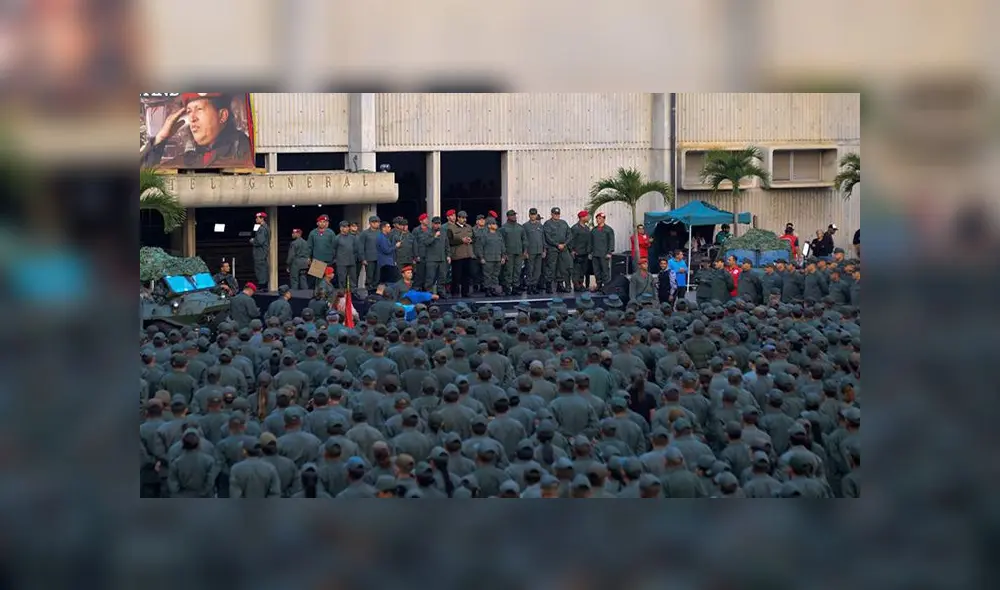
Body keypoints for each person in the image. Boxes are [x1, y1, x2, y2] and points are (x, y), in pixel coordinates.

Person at [140, 93, 252, 169]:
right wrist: (160, 139)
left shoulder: (246, 153)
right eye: (189, 111)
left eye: (199, 109)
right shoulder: (189, 159)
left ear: (222, 116)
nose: (192, 118)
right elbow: (144, 182)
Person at [542, 207, 572, 294]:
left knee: (562, 267)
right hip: (553, 249)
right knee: (551, 267)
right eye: (555, 214)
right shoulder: (547, 224)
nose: (557, 215)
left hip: (563, 248)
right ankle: (549, 286)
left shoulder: (563, 223)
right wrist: (557, 244)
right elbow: (547, 237)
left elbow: (569, 234)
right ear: (551, 214)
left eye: (558, 214)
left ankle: (560, 284)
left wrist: (565, 244)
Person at [499, 210, 527, 296]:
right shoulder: (503, 228)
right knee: (508, 272)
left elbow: (524, 240)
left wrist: (525, 251)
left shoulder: (520, 227)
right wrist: (504, 254)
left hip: (519, 253)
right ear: (508, 217)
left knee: (517, 271)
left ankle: (515, 288)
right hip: (509, 253)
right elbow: (501, 242)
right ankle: (507, 288)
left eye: (515, 215)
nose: (514, 217)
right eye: (512, 215)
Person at [448, 211, 475, 298]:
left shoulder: (469, 227)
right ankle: (455, 292)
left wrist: (471, 240)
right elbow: (449, 241)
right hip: (457, 255)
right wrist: (461, 240)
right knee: (456, 275)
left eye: (465, 218)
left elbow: (474, 237)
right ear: (458, 218)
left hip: (468, 254)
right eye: (462, 218)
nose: (464, 220)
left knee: (467, 275)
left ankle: (465, 292)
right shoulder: (452, 228)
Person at [421, 216, 451, 296]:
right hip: (431, 259)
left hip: (442, 258)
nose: (437, 225)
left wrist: (448, 255)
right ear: (432, 224)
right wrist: (434, 237)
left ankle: (441, 291)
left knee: (442, 277)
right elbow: (426, 242)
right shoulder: (427, 232)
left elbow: (447, 244)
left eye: (439, 223)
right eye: (436, 224)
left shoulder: (443, 232)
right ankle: (429, 293)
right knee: (430, 277)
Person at [476, 218, 505, 296]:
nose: (496, 225)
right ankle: (488, 290)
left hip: (497, 258)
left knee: (495, 275)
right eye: (494, 224)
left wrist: (503, 256)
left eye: (495, 224)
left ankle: (495, 290)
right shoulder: (484, 235)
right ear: (489, 225)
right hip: (488, 259)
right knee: (487, 276)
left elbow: (502, 246)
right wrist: (481, 257)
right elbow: (480, 247)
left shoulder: (499, 235)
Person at [307, 215, 337, 289]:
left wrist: (335, 257)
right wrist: (308, 257)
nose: (322, 223)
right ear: (317, 223)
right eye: (321, 222)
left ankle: (327, 295)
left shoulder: (331, 233)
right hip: (317, 259)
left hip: (329, 260)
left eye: (324, 222)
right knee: (317, 280)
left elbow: (335, 246)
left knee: (328, 278)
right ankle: (318, 295)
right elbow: (309, 246)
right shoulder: (313, 233)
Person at [522, 208, 546, 294]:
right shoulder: (525, 226)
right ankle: (529, 287)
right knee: (529, 270)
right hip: (530, 251)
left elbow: (543, 238)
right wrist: (525, 251)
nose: (533, 216)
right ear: (529, 215)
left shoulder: (540, 226)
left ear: (536, 215)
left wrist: (544, 250)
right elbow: (524, 239)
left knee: (537, 270)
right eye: (531, 214)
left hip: (539, 251)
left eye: (534, 214)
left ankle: (534, 286)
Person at [590, 212, 615, 291]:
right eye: (597, 218)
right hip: (595, 254)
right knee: (596, 271)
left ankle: (606, 286)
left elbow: (611, 241)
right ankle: (599, 285)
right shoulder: (594, 230)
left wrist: (609, 252)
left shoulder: (608, 230)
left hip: (604, 254)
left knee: (605, 271)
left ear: (604, 219)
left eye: (600, 218)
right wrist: (590, 252)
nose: (598, 220)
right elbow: (591, 241)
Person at [333, 220, 361, 289]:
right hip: (341, 262)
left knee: (353, 280)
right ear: (341, 228)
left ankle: (353, 294)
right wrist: (336, 259)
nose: (346, 228)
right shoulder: (337, 238)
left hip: (351, 261)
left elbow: (355, 249)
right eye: (344, 227)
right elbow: (333, 249)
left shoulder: (352, 237)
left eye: (347, 227)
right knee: (342, 280)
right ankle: (342, 295)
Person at [570, 211, 592, 292]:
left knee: (583, 269)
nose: (588, 218)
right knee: (576, 270)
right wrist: (572, 250)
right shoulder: (575, 228)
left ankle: (581, 283)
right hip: (577, 252)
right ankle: (576, 285)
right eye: (586, 216)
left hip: (585, 252)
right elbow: (571, 240)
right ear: (582, 217)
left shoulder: (587, 228)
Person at [359, 215, 382, 289]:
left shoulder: (381, 232)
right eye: (374, 222)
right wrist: (363, 258)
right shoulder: (364, 233)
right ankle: (369, 291)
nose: (376, 224)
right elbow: (361, 246)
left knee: (378, 276)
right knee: (370, 276)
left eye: (378, 222)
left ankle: (376, 291)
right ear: (370, 223)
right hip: (369, 258)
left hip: (379, 258)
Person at [250, 212, 270, 291]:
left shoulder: (262, 228)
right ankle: (263, 285)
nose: (256, 219)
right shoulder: (266, 228)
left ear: (262, 218)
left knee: (260, 269)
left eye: (257, 218)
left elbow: (260, 241)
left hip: (260, 253)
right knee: (263, 268)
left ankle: (262, 286)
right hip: (262, 253)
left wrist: (252, 241)